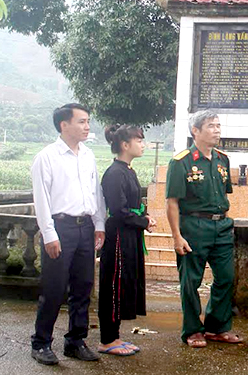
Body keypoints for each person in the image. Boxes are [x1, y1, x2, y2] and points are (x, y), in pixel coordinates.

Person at [30, 103, 106, 365]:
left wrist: (99, 224)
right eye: (82, 122)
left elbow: (95, 192)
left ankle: (75, 341)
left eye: (88, 122)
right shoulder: (47, 157)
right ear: (64, 125)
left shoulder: (87, 155)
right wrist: (49, 235)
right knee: (54, 288)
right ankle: (41, 343)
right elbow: (42, 199)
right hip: (60, 227)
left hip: (85, 226)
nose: (87, 127)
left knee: (83, 286)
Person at [165, 110, 242, 348]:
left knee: (226, 278)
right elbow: (172, 202)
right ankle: (192, 330)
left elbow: (223, 193)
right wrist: (177, 236)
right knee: (191, 281)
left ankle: (217, 327)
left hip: (221, 225)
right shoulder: (182, 162)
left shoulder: (222, 159)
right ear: (195, 131)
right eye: (211, 126)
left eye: (218, 126)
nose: (217, 130)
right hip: (193, 226)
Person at [98, 125, 157, 356]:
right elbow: (119, 211)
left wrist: (144, 218)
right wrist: (142, 221)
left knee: (125, 283)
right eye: (139, 140)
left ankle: (115, 336)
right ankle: (106, 339)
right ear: (125, 145)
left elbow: (131, 207)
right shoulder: (114, 173)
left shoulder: (128, 171)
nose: (143, 144)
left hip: (129, 235)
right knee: (113, 284)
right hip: (118, 237)